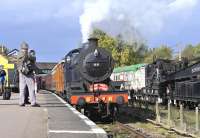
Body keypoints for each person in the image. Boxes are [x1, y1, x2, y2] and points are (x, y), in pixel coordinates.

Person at [17, 42, 39, 107]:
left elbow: (18, 64)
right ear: (26, 47)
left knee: (22, 88)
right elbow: (34, 58)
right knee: (31, 88)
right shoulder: (28, 54)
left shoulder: (18, 54)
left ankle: (21, 102)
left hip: (21, 73)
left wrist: (20, 70)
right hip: (28, 73)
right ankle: (33, 102)